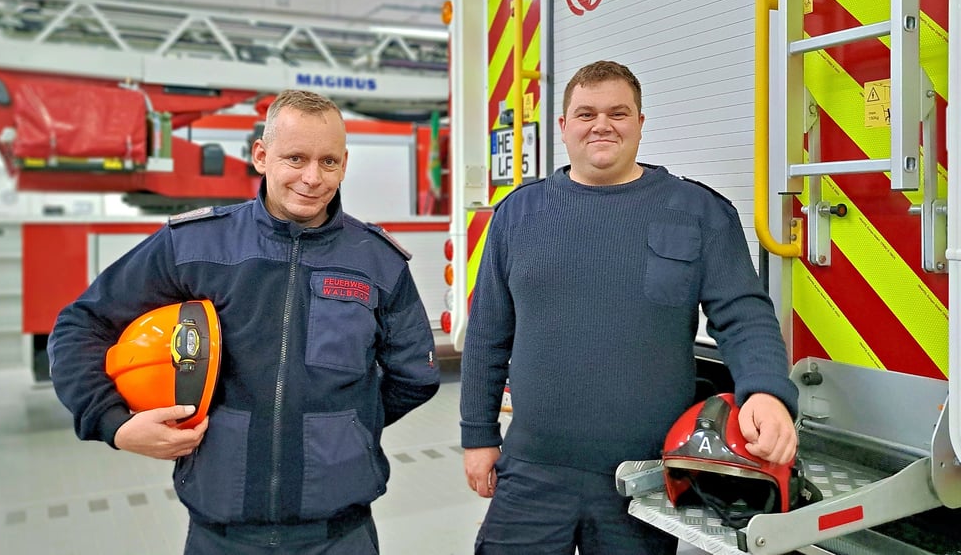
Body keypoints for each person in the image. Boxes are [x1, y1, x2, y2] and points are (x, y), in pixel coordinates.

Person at [49, 89, 441, 555]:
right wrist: (113, 423)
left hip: (340, 537)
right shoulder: (192, 246)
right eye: (295, 158)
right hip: (222, 535)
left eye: (329, 162)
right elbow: (81, 325)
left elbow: (416, 374)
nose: (313, 178)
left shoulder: (377, 261)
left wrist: (347, 424)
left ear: (344, 162)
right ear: (261, 155)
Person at [459, 60, 800, 554]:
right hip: (532, 468)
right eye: (586, 113)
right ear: (563, 127)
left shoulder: (697, 212)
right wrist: (478, 436)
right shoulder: (520, 214)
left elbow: (744, 314)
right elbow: (488, 334)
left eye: (619, 113)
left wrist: (766, 392)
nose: (602, 124)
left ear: (641, 122)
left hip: (644, 475)